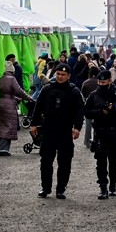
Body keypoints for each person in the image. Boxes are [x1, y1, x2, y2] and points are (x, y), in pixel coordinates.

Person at [30, 63, 84, 199]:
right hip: (49, 130)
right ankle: (45, 188)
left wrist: (77, 128)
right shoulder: (47, 90)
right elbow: (38, 107)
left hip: (65, 131)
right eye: (58, 74)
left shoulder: (74, 92)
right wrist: (34, 124)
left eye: (63, 75)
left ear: (68, 76)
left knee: (65, 161)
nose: (60, 77)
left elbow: (79, 111)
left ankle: (61, 189)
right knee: (46, 160)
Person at [83, 70, 116, 200]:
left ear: (110, 81)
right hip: (101, 132)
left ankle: (113, 184)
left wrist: (115, 108)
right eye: (99, 82)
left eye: (103, 82)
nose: (101, 84)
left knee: (115, 161)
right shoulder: (94, 95)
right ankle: (103, 187)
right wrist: (100, 112)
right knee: (101, 161)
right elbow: (87, 112)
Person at [0, 60, 34, 157]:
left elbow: (4, 93)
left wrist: (15, 98)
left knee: (1, 126)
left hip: (0, 103)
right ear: (12, 71)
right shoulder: (12, 79)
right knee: (7, 126)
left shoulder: (1, 78)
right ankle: (3, 149)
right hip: (9, 105)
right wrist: (29, 98)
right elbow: (19, 90)